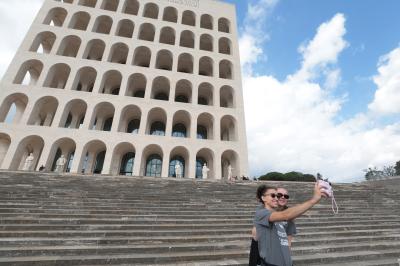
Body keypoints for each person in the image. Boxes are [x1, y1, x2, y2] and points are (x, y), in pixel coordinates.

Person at [253, 183, 326, 266]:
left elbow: (288, 242)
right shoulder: (261, 213)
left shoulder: (280, 217)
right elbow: (286, 215)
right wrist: (314, 200)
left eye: (277, 196)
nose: (277, 198)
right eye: (273, 195)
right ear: (263, 198)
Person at [249, 187, 296, 266]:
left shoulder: (290, 216)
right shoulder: (263, 209)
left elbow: (288, 241)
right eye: (279, 195)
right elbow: (255, 235)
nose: (282, 197)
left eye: (286, 196)